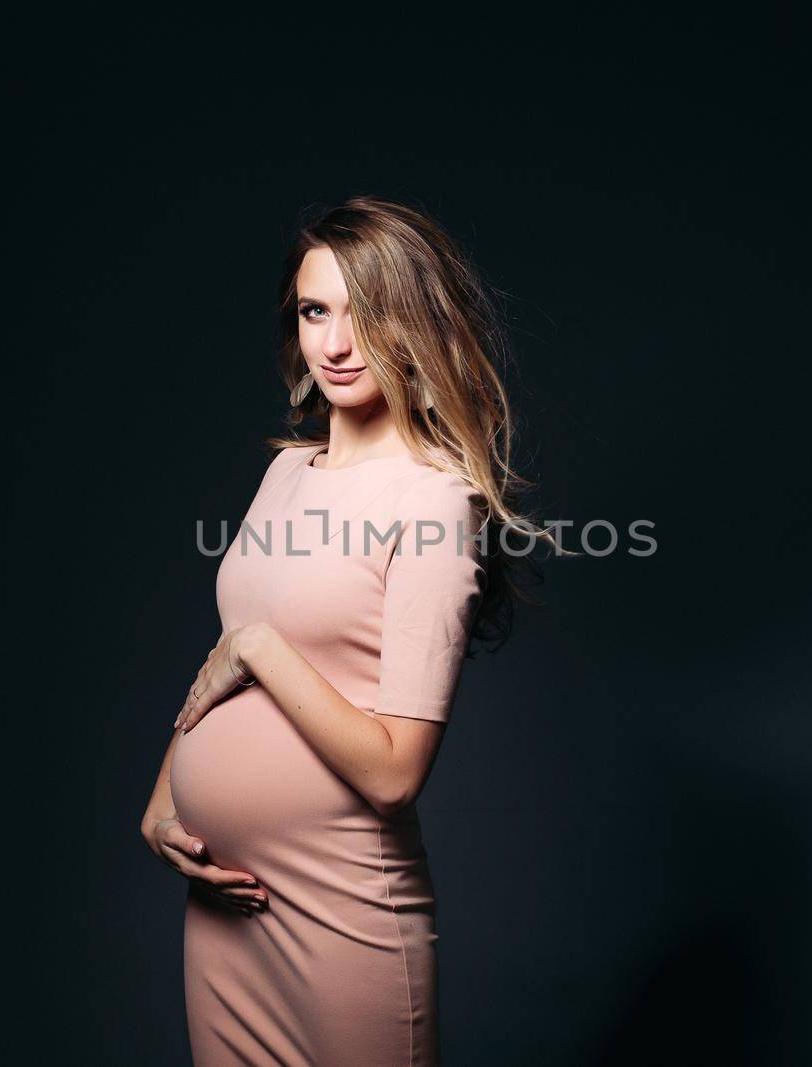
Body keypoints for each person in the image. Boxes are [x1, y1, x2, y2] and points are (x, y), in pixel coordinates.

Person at [139, 195, 550, 1066]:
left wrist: (258, 647)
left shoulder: (433, 501)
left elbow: (396, 769)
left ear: (415, 324)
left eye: (365, 315)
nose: (334, 344)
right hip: (227, 914)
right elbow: (230, 656)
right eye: (314, 310)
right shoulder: (287, 473)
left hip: (342, 916)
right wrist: (168, 787)